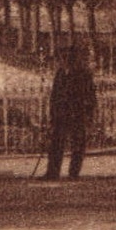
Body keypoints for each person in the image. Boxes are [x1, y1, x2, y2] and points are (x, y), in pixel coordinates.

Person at [42, 40, 97, 180]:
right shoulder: (60, 74)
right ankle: (52, 172)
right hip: (61, 115)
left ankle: (73, 173)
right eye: (62, 57)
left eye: (68, 57)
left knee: (77, 145)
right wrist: (52, 113)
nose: (64, 60)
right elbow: (54, 96)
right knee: (56, 144)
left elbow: (90, 95)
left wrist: (89, 115)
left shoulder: (84, 74)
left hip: (77, 114)